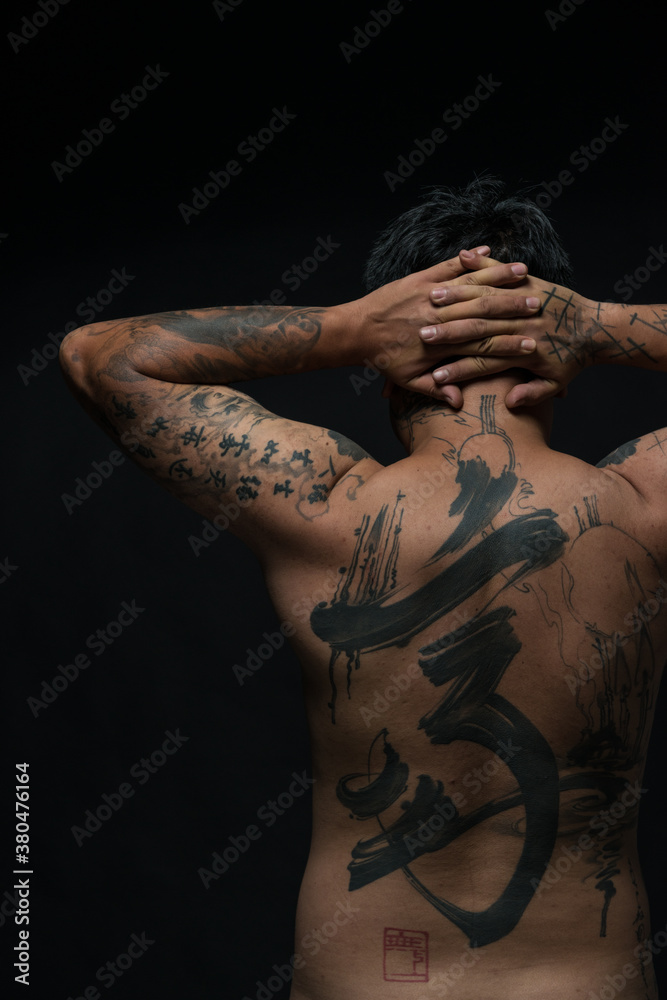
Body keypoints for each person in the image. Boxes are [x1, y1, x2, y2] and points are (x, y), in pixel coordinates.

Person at [58, 177, 665, 1000]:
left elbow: (100, 357)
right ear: (552, 363)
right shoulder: (639, 508)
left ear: (389, 367)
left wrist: (347, 329)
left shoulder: (325, 508)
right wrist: (604, 325)